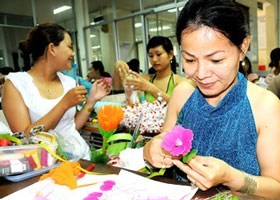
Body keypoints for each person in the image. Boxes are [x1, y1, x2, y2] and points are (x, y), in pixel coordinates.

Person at [144, 0, 280, 200]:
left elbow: (276, 188)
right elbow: (164, 141)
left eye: (216, 60)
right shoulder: (182, 93)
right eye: (190, 60)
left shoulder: (265, 106)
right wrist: (151, 149)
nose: (201, 74)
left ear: (243, 47)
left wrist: (231, 177)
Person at [2, 23, 111, 160]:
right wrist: (64, 104)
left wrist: (91, 101)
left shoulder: (68, 82)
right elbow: (25, 138)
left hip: (81, 158)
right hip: (44, 164)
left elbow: (71, 127)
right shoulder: (16, 84)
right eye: (70, 47)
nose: (73, 53)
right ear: (52, 48)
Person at [114, 36, 187, 103]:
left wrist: (150, 87)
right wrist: (117, 67)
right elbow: (118, 87)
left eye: (158, 54)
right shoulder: (144, 79)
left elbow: (179, 106)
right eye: (151, 56)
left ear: (170, 55)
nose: (154, 59)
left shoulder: (180, 82)